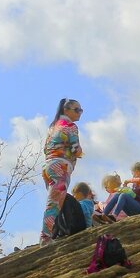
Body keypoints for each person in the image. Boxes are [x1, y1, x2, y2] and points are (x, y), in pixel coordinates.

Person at [40, 98, 83, 246]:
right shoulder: (71, 126)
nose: (80, 113)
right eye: (76, 110)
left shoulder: (53, 127)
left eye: (80, 110)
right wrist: (79, 153)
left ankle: (52, 233)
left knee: (56, 203)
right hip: (61, 167)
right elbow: (75, 149)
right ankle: (45, 238)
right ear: (66, 110)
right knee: (54, 204)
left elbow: (45, 148)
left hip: (47, 166)